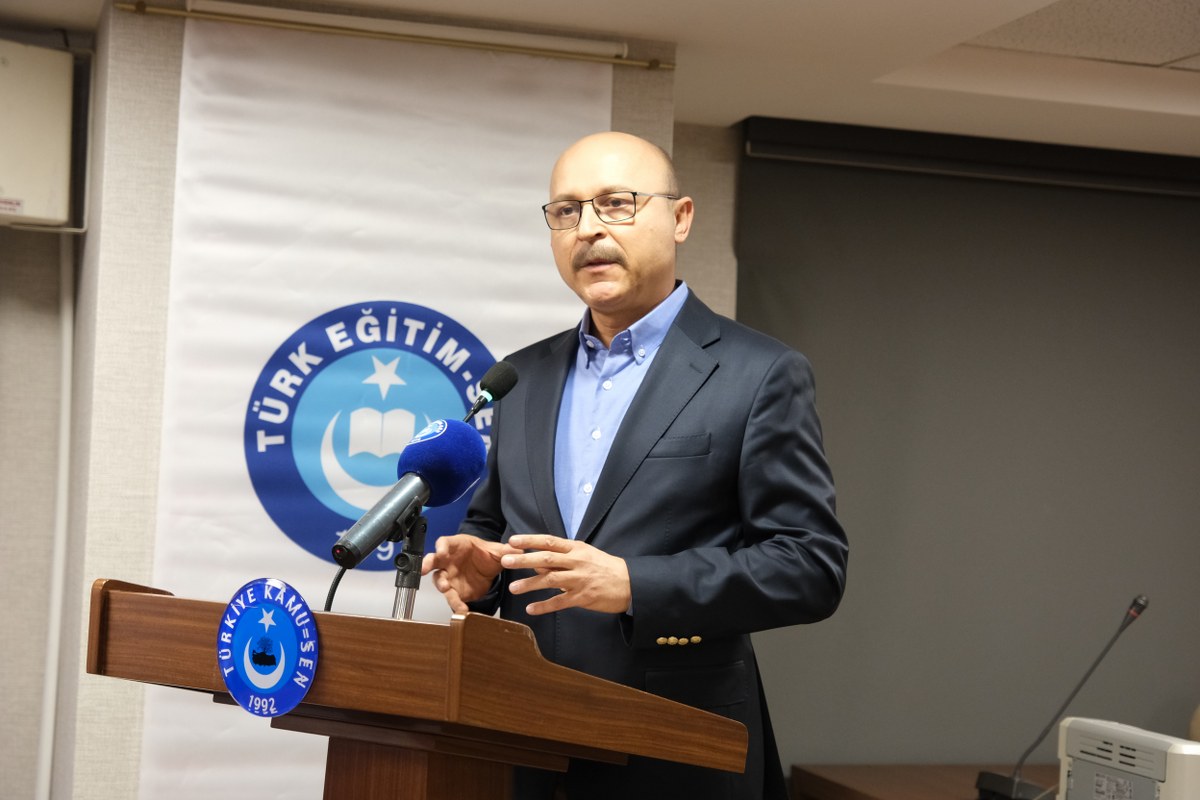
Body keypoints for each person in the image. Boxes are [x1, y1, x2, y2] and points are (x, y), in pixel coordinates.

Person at [422, 131, 848, 800]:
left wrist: (634, 584)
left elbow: (810, 567)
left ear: (680, 218)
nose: (588, 229)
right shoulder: (521, 377)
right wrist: (484, 574)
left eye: (616, 203)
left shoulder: (759, 373)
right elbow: (495, 530)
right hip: (524, 742)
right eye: (566, 211)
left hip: (678, 751)